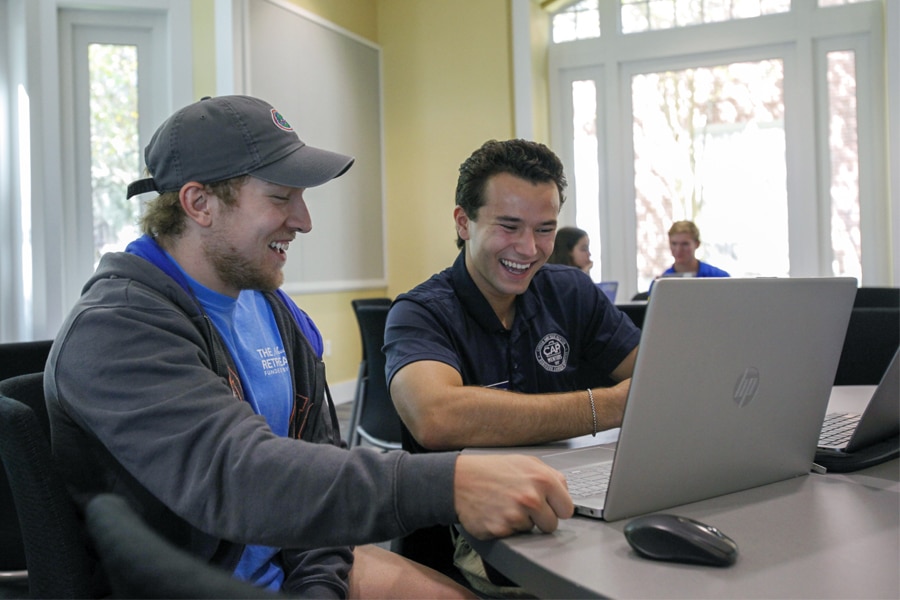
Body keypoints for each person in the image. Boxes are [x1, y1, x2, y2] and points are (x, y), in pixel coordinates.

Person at [43, 96, 574, 599]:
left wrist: (318, 587)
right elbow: (242, 478)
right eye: (280, 196)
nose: (304, 219)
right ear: (199, 203)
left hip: (290, 570)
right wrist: (449, 483)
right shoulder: (114, 330)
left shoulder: (272, 310)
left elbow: (314, 475)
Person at [383, 138, 641, 592]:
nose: (529, 248)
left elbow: (659, 378)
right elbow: (436, 416)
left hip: (574, 505)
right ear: (464, 222)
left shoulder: (570, 291)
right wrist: (607, 406)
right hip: (470, 537)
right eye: (509, 226)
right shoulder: (420, 313)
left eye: (545, 229)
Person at [660, 220, 730, 279]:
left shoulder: (719, 278)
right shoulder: (661, 283)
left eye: (685, 244)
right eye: (674, 244)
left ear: (697, 244)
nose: (679, 249)